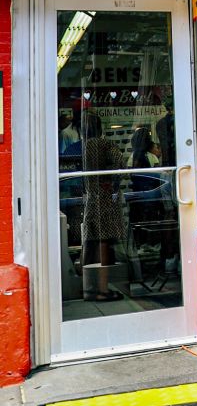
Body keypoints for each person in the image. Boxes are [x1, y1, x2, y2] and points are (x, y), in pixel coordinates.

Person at [79, 112, 126, 302]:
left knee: (89, 240)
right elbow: (121, 164)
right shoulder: (105, 144)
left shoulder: (84, 147)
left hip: (90, 195)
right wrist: (112, 182)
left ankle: (88, 286)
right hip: (104, 197)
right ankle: (103, 289)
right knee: (104, 240)